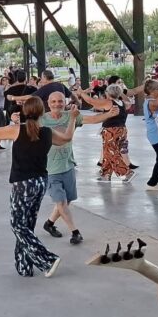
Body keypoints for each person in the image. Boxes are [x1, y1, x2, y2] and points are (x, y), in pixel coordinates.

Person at [0, 97, 79, 277]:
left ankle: (47, 259)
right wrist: (72, 118)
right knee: (27, 225)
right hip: (41, 182)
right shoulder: (47, 132)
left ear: (25, 112)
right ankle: (24, 266)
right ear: (42, 112)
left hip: (23, 184)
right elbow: (67, 138)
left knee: (17, 225)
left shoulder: (17, 130)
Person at [40, 92, 117, 244]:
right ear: (48, 103)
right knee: (61, 203)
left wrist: (109, 114)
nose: (57, 104)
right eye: (53, 101)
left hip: (68, 165)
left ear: (65, 102)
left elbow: (93, 119)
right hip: (50, 169)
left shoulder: (72, 115)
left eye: (60, 101)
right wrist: (15, 120)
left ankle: (49, 223)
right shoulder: (41, 120)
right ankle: (75, 232)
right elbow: (24, 128)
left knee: (66, 201)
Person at [76, 84, 135, 183]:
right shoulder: (122, 103)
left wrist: (81, 93)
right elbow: (129, 102)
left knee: (111, 152)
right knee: (107, 152)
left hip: (111, 131)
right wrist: (121, 93)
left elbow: (91, 101)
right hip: (122, 130)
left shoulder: (109, 102)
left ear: (108, 93)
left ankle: (126, 172)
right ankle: (105, 174)